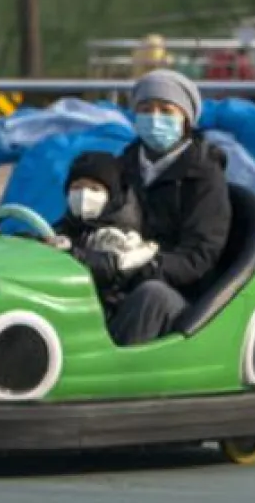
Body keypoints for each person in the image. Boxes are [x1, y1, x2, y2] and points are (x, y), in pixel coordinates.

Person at [104, 70, 232, 346]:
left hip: (181, 293)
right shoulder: (123, 166)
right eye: (146, 109)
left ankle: (118, 376)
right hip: (122, 278)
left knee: (151, 296)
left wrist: (145, 266)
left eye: (166, 110)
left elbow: (199, 255)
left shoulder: (204, 176)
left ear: (185, 119)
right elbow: (92, 219)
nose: (155, 118)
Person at [50, 150, 157, 316]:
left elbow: (111, 266)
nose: (84, 195)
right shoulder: (70, 225)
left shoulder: (126, 234)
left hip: (107, 314)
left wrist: (69, 253)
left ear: (112, 196)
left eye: (94, 188)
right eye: (77, 187)